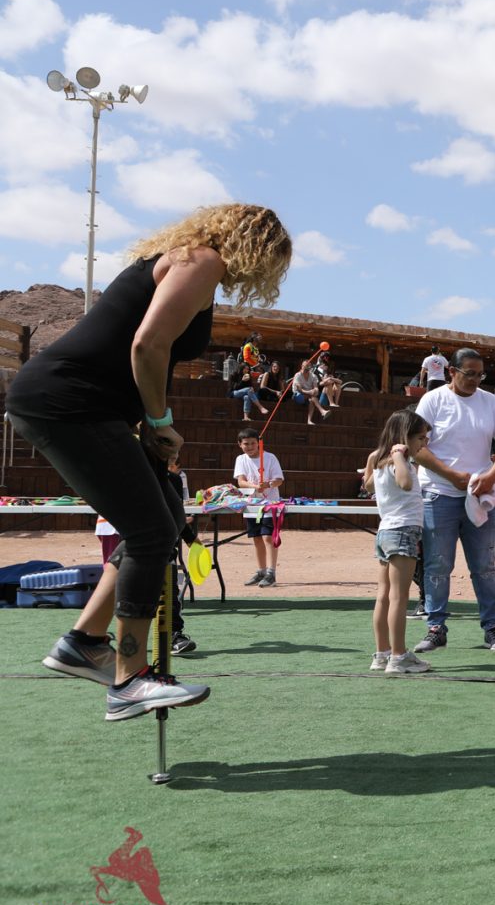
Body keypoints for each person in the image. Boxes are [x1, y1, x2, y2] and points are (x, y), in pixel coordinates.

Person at [9, 203, 291, 720]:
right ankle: (129, 679)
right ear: (259, 247)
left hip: (98, 409)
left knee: (162, 521)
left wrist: (151, 425)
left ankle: (84, 643)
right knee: (149, 534)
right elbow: (147, 344)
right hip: (68, 401)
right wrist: (159, 423)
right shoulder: (201, 260)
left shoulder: (194, 268)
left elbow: (151, 356)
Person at [412, 348, 495, 652]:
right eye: (468, 373)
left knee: (484, 564)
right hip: (438, 493)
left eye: (479, 374)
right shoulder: (432, 400)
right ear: (451, 372)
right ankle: (436, 627)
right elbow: (417, 446)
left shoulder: (489, 401)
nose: (474, 379)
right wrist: (450, 475)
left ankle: (492, 628)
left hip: (479, 495)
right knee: (437, 564)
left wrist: (493, 474)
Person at [362, 409, 433, 674]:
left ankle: (381, 654)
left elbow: (368, 486)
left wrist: (374, 459)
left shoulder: (380, 463)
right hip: (403, 532)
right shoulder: (397, 461)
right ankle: (398, 656)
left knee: (383, 596)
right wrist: (398, 456)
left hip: (386, 533)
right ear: (405, 438)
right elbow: (404, 483)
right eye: (420, 438)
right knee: (398, 597)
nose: (424, 443)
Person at [234, 429, 285, 587]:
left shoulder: (270, 458)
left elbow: (279, 480)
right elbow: (241, 482)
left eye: (253, 443)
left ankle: (271, 572)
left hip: (270, 503)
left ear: (259, 443)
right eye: (246, 444)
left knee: (268, 537)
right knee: (256, 538)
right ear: (240, 445)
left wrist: (268, 484)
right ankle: (261, 570)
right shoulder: (241, 459)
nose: (249, 447)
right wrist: (255, 486)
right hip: (251, 504)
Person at [290, 359, 330, 425]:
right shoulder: (297, 375)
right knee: (312, 396)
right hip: (297, 395)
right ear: (302, 366)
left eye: (308, 366)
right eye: (305, 365)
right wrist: (310, 392)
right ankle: (322, 411)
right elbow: (300, 390)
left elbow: (316, 387)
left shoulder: (313, 376)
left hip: (308, 396)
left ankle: (309, 421)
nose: (307, 367)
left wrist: (315, 390)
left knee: (312, 400)